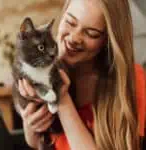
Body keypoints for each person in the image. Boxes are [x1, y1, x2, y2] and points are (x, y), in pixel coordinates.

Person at [16, 0, 146, 150]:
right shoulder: (41, 72)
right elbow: (37, 143)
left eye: (91, 33)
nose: (74, 38)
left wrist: (62, 99)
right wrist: (31, 126)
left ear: (108, 40)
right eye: (70, 22)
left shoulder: (132, 80)